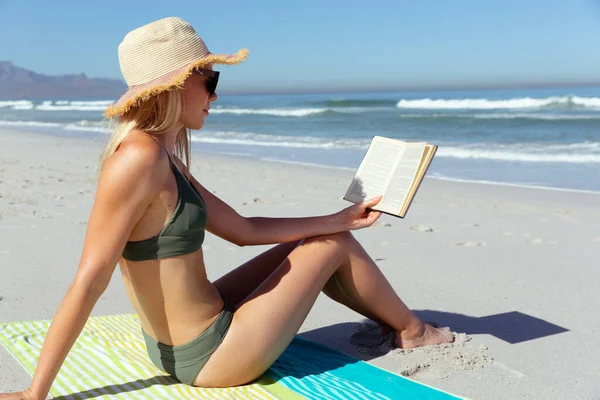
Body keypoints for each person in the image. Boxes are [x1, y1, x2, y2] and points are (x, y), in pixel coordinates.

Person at [0, 17, 453, 400]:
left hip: (194, 330)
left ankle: (399, 324)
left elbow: (241, 227)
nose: (214, 96)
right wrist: (35, 393)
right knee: (332, 246)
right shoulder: (138, 160)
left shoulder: (161, 154)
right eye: (210, 82)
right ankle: (413, 331)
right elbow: (89, 278)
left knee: (327, 236)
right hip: (210, 356)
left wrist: (337, 217)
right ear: (176, 86)